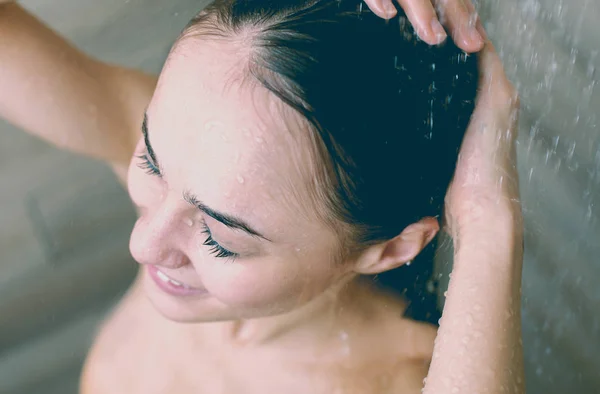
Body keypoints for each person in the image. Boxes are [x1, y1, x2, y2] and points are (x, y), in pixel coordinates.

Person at [0, 1, 523, 393]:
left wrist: (484, 222)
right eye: (151, 163)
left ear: (387, 249)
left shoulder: (401, 378)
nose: (144, 243)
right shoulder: (195, 161)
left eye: (221, 238)